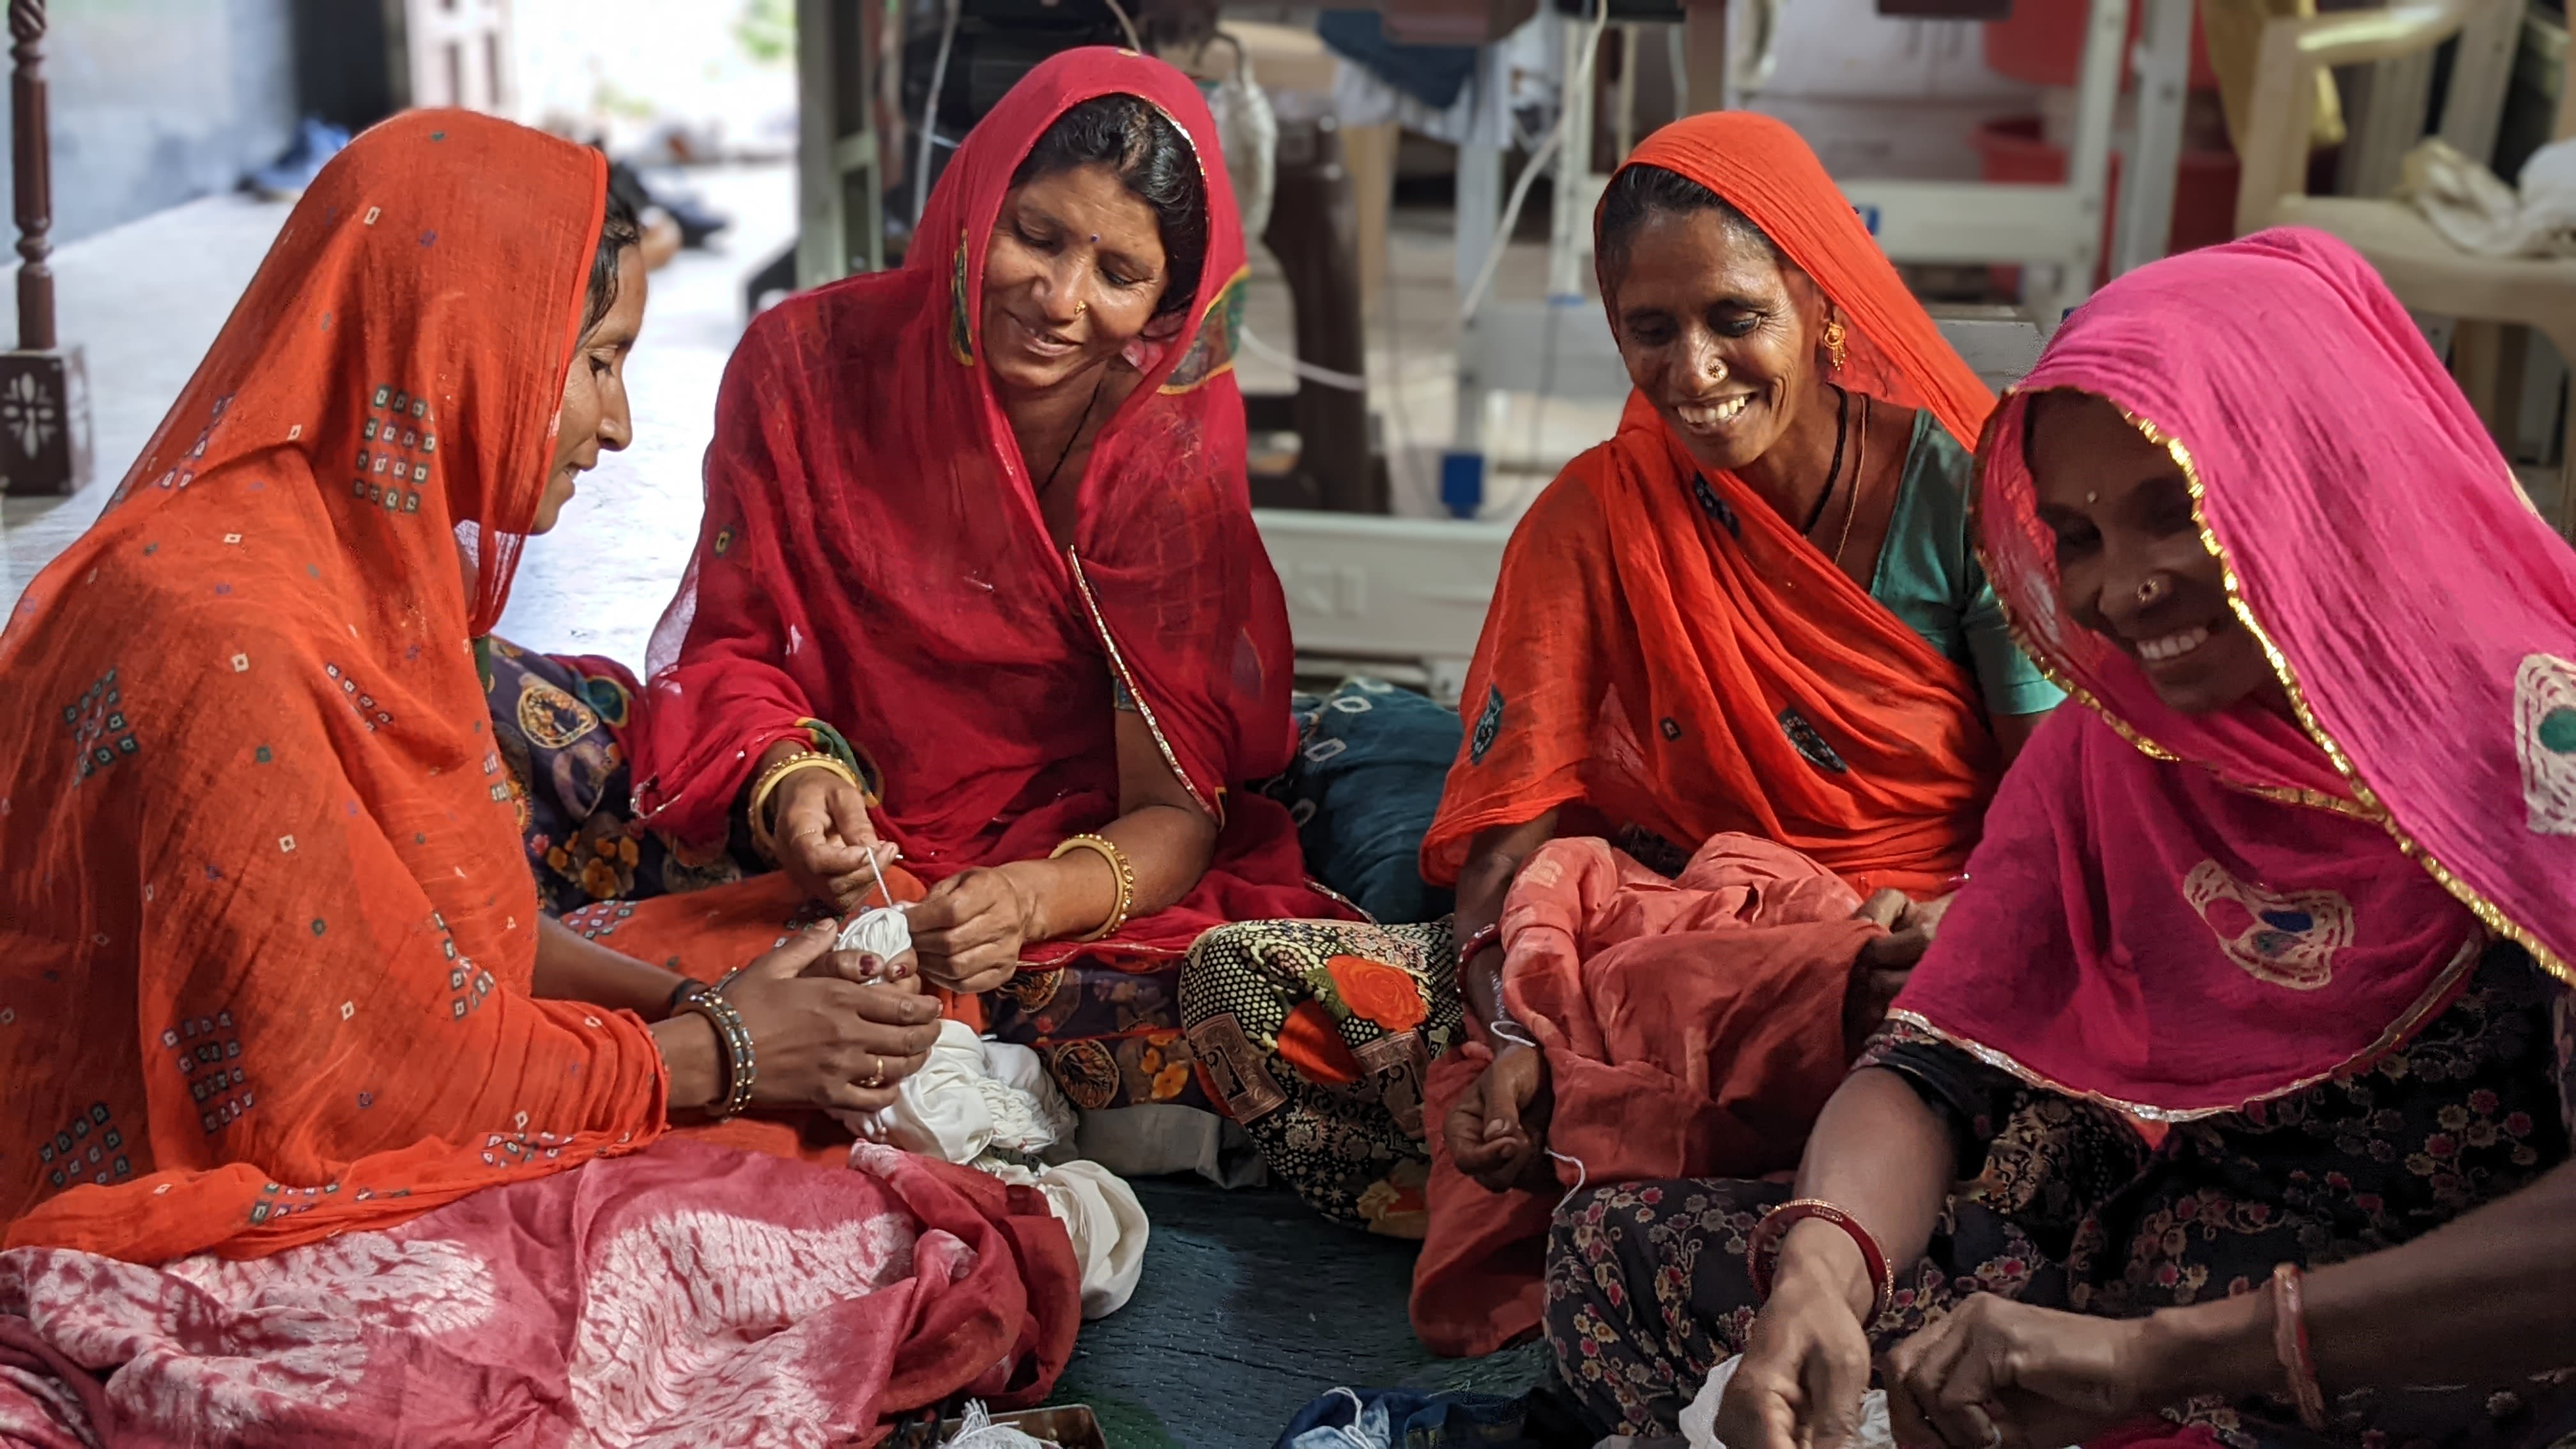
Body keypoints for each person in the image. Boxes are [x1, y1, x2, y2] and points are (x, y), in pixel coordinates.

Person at [0, 112, 1075, 1443]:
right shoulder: (229, 639)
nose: (618, 427)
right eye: (601, 364)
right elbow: (328, 1097)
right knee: (833, 1242)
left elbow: (463, 944)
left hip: (388, 1059)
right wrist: (730, 1053)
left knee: (853, 972)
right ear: (466, 341)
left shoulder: (360, 554)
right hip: (220, 1159)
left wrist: (705, 1008)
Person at [1543, 227, 2576, 1448]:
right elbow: (1937, 1064)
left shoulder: (2535, 750)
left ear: (2319, 477)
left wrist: (2156, 1360)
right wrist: (1823, 1273)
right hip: (2130, 1283)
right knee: (1623, 1255)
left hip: (2417, 1353)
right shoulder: (2125, 744)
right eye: (2078, 537)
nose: (2121, 588)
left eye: (2172, 510)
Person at [1180, 111, 2060, 1354]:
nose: (1696, 369)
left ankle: (1649, 1189)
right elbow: (1509, 840)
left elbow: (2053, 822)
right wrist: (1514, 1034)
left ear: (1817, 304)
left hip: (1909, 978)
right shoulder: (1598, 517)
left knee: (2007, 1099)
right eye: (1652, 330)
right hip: (1659, 972)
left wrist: (1947, 951)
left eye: (1734, 319)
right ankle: (1671, 1186)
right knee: (1239, 983)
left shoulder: (1966, 498)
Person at [503, 50, 1353, 1156]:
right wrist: (791, 778)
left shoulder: (1160, 468)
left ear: (1169, 302)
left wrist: (1028, 904)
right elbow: (731, 647)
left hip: (1035, 874)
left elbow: (1175, 813)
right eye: (1037, 237)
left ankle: (797, 1023)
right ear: (976, 199)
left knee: (1253, 1011)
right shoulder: (804, 364)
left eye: (1118, 273)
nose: (1059, 301)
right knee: (477, 709)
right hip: (808, 823)